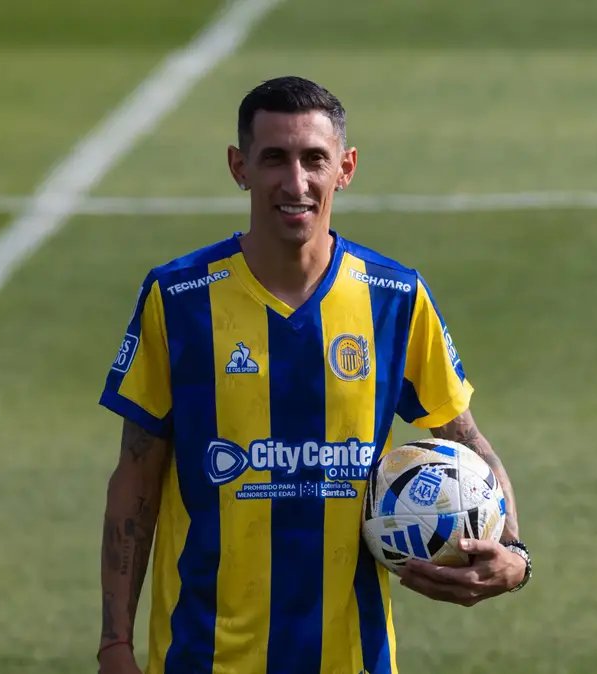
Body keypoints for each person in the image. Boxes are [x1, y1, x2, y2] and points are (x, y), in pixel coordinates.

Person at [97, 75, 530, 674]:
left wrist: (515, 556)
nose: (295, 182)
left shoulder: (395, 298)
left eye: (314, 159)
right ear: (239, 167)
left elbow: (467, 441)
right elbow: (136, 475)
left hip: (353, 660)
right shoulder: (179, 298)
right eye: (274, 158)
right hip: (202, 656)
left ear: (345, 168)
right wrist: (114, 644)